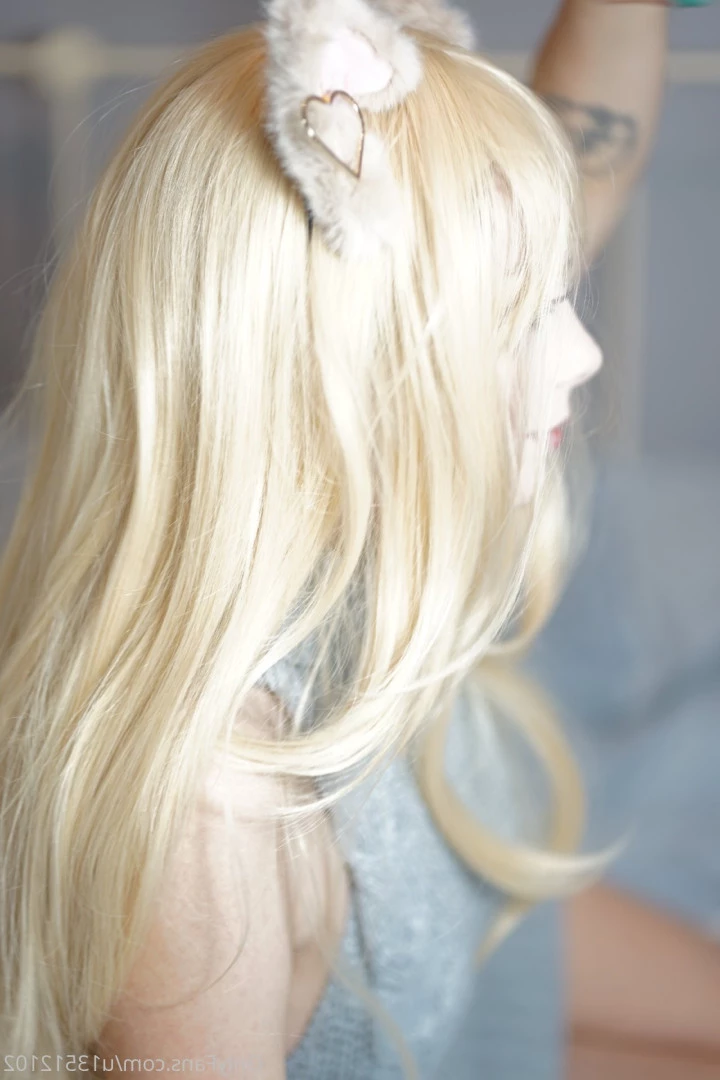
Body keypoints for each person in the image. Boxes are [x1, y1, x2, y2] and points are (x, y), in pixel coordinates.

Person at [0, 1, 717, 1078]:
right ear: (348, 372)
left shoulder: (326, 478)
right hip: (402, 1016)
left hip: (455, 916)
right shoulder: (211, 820)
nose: (583, 356)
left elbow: (589, 153)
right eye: (521, 315)